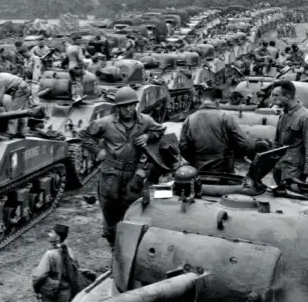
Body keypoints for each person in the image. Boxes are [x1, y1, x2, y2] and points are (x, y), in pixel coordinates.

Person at [79, 86, 165, 247]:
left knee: (133, 206)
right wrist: (97, 151)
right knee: (110, 207)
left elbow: (160, 131)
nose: (128, 109)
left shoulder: (145, 121)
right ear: (117, 108)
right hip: (111, 172)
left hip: (134, 173)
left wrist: (148, 136)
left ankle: (130, 242)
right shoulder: (105, 123)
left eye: (131, 105)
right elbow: (84, 134)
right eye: (124, 106)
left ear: (135, 105)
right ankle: (112, 241)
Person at [179, 88, 252, 173]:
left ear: (202, 99)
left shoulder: (189, 119)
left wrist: (195, 160)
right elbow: (245, 144)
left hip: (199, 170)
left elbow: (183, 147)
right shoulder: (225, 118)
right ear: (218, 101)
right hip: (223, 169)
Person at [270, 80, 308, 190]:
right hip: (282, 172)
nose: (272, 98)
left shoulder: (306, 117)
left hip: (296, 175)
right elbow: (277, 144)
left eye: (276, 95)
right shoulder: (283, 116)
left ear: (287, 96)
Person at [32, 224, 77, 302]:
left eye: (52, 233)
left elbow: (39, 276)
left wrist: (36, 288)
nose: (49, 234)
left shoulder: (50, 254)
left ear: (58, 238)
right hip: (67, 293)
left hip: (53, 294)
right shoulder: (69, 251)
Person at [0, 71, 35, 135]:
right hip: (24, 87)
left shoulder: (1, 80)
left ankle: (11, 132)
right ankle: (22, 132)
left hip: (20, 89)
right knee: (22, 112)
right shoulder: (1, 74)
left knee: (14, 112)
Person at [66, 35, 86, 101]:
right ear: (75, 40)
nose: (79, 41)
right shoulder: (78, 47)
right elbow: (80, 58)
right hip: (76, 66)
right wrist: (83, 65)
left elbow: (67, 57)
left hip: (70, 66)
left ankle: (73, 96)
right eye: (78, 40)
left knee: (73, 82)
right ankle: (79, 97)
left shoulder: (68, 47)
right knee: (79, 82)